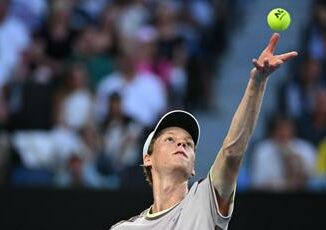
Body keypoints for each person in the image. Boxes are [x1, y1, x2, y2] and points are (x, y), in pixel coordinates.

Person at [110, 33, 298, 229]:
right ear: (148, 158)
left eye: (189, 143)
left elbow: (231, 153)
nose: (181, 143)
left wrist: (257, 82)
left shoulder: (204, 199)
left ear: (193, 168)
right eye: (170, 139)